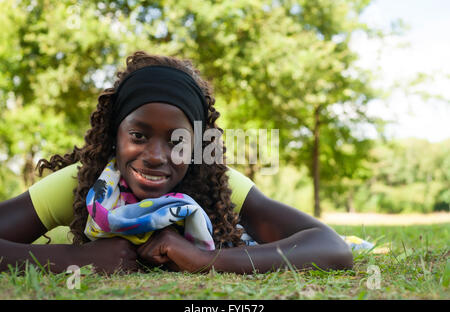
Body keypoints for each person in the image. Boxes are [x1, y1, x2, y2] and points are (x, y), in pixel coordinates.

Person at [0, 51, 353, 275]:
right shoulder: (86, 185)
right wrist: (73, 259)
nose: (155, 156)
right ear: (114, 136)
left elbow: (331, 247)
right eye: (138, 136)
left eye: (178, 141)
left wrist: (206, 260)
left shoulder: (218, 186)